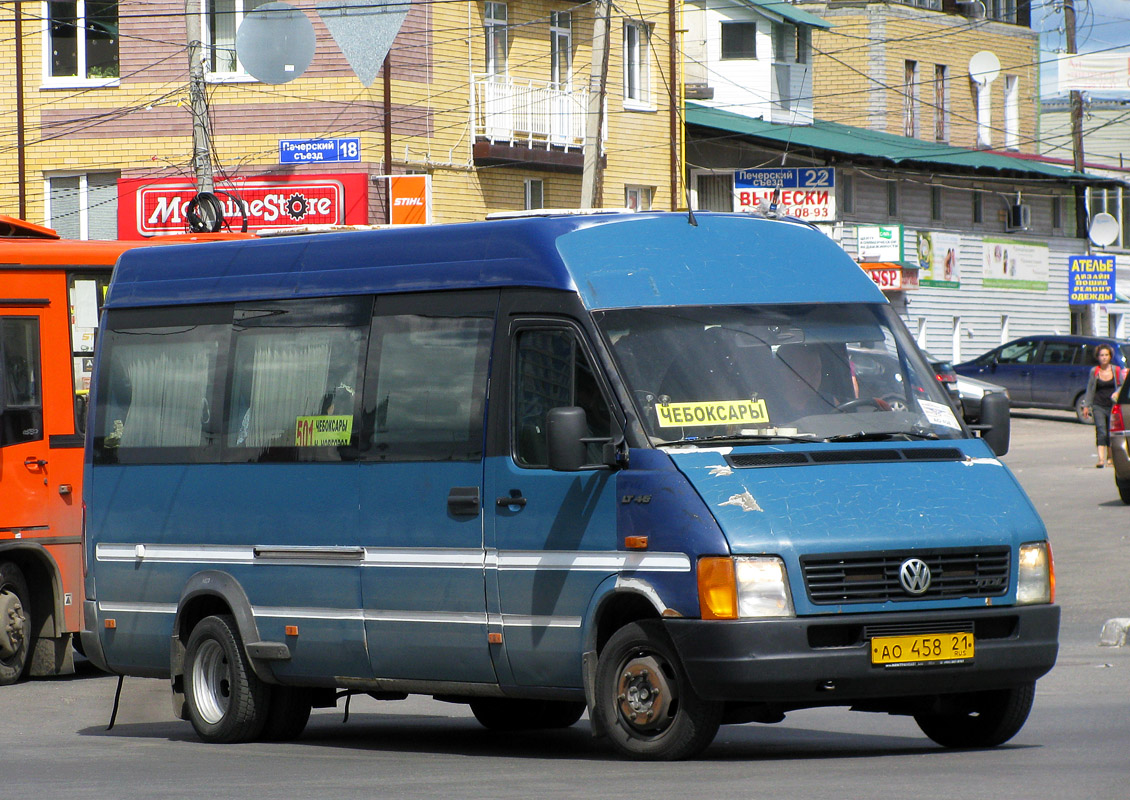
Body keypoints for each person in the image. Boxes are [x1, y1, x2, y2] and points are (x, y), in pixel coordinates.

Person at [1082, 344, 1126, 468]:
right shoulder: (1094, 371)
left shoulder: (1116, 370)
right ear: (1098, 357)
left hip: (1112, 406)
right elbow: (1090, 389)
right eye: (1102, 355)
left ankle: (1110, 458)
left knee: (1110, 432)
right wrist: (1086, 405)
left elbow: (1123, 386)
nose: (1104, 358)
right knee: (1101, 431)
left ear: (1110, 356)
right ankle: (1101, 459)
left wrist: (1117, 393)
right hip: (1098, 405)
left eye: (1106, 355)